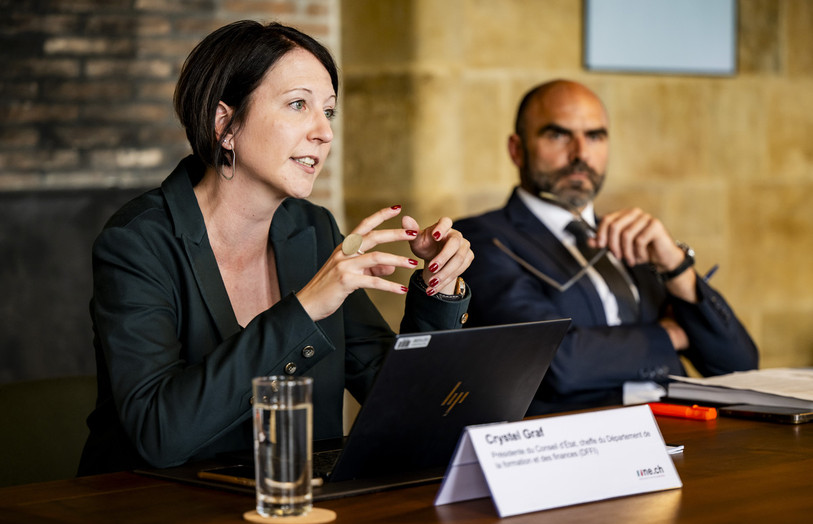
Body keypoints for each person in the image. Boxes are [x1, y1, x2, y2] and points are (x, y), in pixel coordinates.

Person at [78, 20, 473, 476]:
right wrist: (305, 308)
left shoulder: (314, 229)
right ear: (224, 123)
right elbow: (160, 435)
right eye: (298, 105)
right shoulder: (137, 242)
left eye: (328, 111)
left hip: (295, 507)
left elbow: (405, 403)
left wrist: (438, 288)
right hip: (153, 514)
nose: (323, 132)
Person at [454, 80, 757, 414]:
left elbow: (738, 366)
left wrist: (677, 268)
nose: (581, 154)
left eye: (595, 136)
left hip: (681, 431)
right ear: (517, 149)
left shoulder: (633, 237)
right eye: (557, 135)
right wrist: (671, 335)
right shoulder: (479, 239)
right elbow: (555, 363)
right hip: (573, 443)